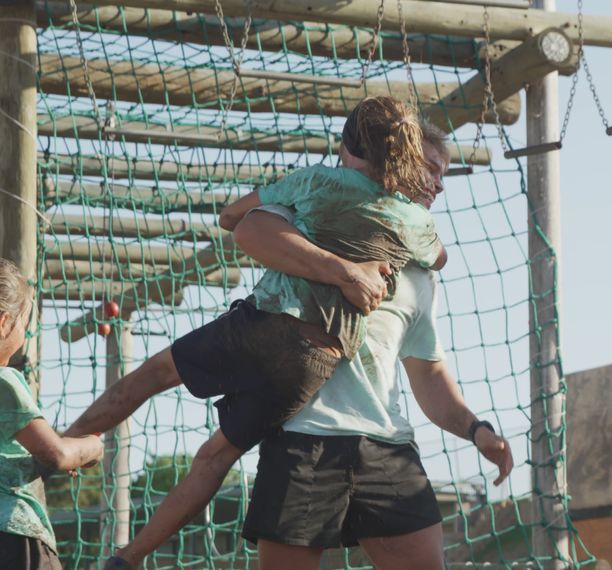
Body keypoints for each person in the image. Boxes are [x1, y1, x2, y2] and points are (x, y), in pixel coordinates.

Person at [82, 96, 451, 570]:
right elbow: (439, 255)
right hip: (311, 368)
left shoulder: (313, 184)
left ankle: (73, 464)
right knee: (214, 454)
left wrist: (296, 209)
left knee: (164, 389)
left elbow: (234, 218)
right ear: (402, 159)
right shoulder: (415, 227)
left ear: (345, 147)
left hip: (268, 332)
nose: (436, 183)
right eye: (431, 169)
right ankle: (124, 554)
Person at [230, 131, 513, 570]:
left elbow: (429, 375)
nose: (439, 184)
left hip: (387, 446)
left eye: (444, 174)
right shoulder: (315, 217)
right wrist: (343, 271)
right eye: (431, 168)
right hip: (304, 440)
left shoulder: (420, 273)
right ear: (393, 162)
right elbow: (247, 227)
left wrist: (476, 429)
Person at [0, 258, 103, 570]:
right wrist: (90, 448)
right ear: (3, 321)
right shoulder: (4, 381)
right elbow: (56, 453)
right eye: (24, 322)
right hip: (14, 537)